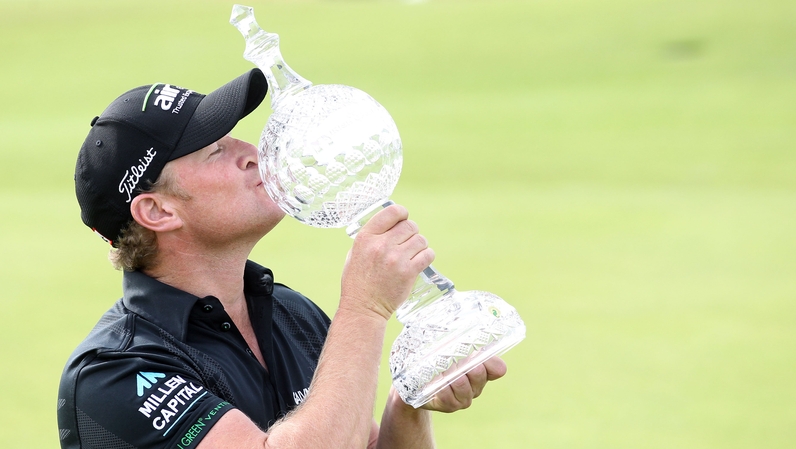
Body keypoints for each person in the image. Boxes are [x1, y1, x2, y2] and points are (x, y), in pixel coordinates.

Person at [58, 68, 507, 449]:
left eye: (236, 139)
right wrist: (365, 309)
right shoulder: (115, 375)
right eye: (216, 150)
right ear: (158, 211)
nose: (254, 155)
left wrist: (409, 397)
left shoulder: (289, 313)